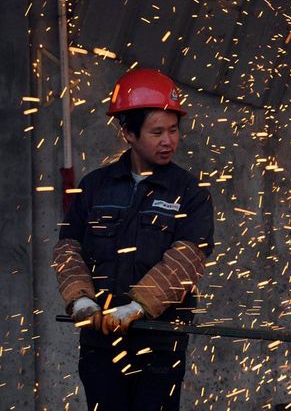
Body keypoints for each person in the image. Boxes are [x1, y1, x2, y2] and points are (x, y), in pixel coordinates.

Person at [52, 68, 214, 410]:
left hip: (160, 342)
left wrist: (139, 306)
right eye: (157, 132)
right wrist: (81, 299)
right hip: (101, 343)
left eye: (173, 130)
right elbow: (69, 249)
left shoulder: (189, 192)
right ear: (127, 132)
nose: (168, 141)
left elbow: (188, 257)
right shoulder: (96, 187)